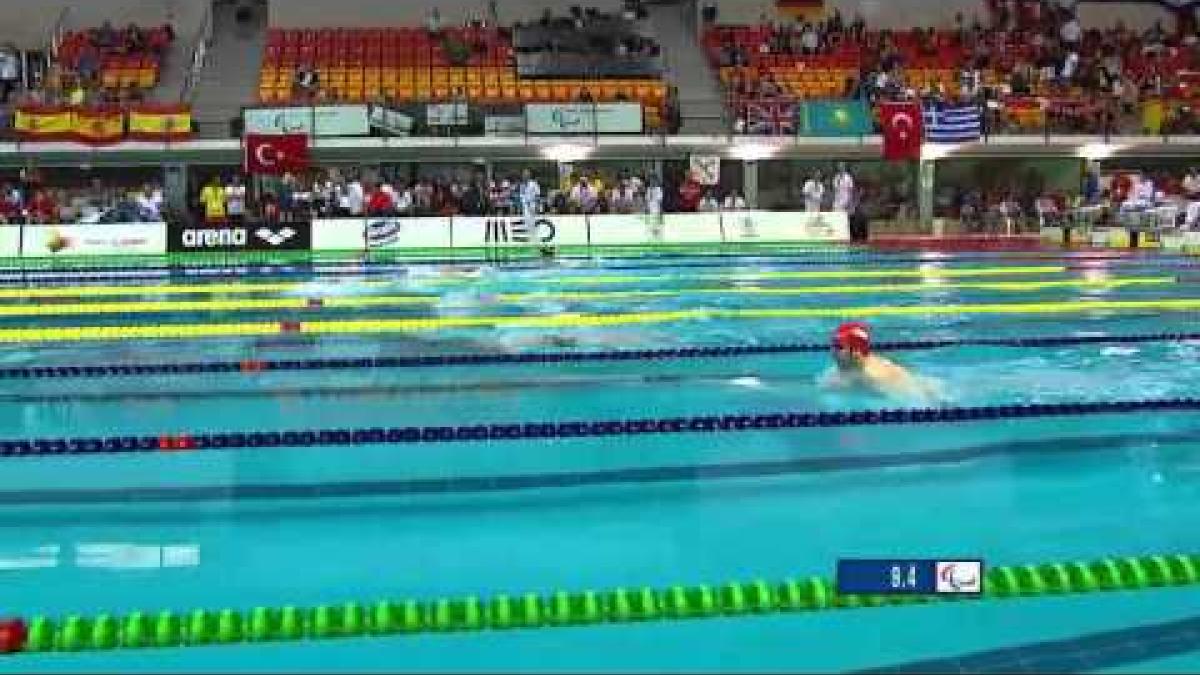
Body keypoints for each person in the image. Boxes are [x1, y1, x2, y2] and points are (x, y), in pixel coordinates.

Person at [823, 322, 941, 400]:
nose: (832, 351)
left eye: (839, 347)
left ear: (856, 352)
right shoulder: (847, 367)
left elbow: (913, 401)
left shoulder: (876, 378)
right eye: (833, 345)